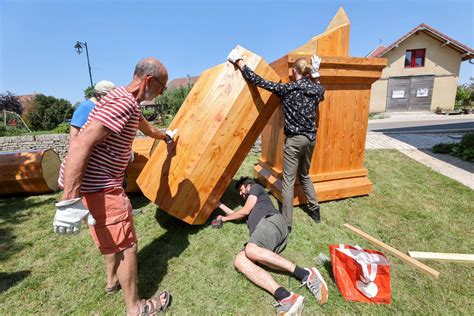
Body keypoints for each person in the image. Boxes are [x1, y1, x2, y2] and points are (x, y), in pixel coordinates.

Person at [54, 57, 176, 316]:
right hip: (101, 187)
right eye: (163, 88)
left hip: (93, 187)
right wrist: (68, 201)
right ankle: (136, 308)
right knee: (126, 246)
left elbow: (144, 126)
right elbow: (80, 144)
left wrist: (166, 136)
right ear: (149, 80)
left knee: (111, 237)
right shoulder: (122, 103)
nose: (163, 93)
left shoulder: (125, 100)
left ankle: (112, 282)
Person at [227, 49, 325, 230]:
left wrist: (239, 62)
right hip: (310, 139)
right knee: (304, 175)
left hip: (295, 141)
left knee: (288, 181)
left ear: (294, 71)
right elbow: (321, 92)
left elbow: (258, 81)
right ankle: (315, 211)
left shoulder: (288, 89)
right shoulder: (315, 88)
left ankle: (286, 223)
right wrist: (317, 74)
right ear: (308, 72)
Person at [215, 177, 328, 315]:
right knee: (240, 260)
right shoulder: (252, 208)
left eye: (241, 189)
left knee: (250, 249)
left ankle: (306, 274)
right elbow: (238, 215)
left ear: (247, 185)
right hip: (267, 234)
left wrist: (224, 219)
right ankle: (286, 297)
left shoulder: (256, 188)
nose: (240, 194)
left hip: (272, 221)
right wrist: (219, 205)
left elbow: (244, 211)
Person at [69, 80, 116, 146]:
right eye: (109, 96)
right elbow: (74, 136)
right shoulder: (84, 108)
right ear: (98, 95)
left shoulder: (106, 107)